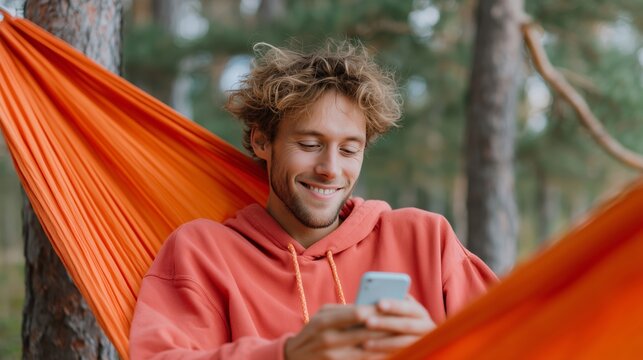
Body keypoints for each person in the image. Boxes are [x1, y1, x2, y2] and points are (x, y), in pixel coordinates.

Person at [129, 40, 497, 359]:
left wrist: (437, 347)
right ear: (262, 141)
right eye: (309, 145)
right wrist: (286, 355)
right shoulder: (203, 252)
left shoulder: (425, 240)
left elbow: (515, 343)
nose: (330, 169)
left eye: (350, 150)